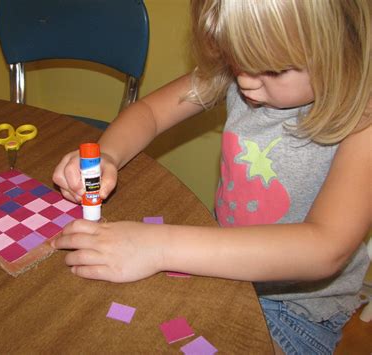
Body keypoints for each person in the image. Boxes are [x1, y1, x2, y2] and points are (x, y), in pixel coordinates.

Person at [52, 0, 371, 353]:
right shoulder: (239, 72)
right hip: (215, 265)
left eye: (273, 70)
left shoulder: (363, 121)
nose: (246, 81)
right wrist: (108, 155)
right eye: (236, 59)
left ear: (341, 48)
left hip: (293, 312)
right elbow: (150, 113)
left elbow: (324, 248)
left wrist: (158, 246)